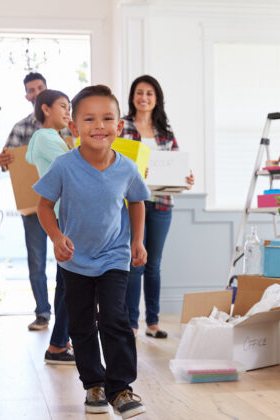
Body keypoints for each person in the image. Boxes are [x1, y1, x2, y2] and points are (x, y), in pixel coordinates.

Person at [34, 85, 149, 419]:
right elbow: (44, 206)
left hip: (114, 256)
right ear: (74, 127)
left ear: (119, 126)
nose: (99, 125)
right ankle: (93, 384)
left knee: (115, 319)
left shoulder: (127, 167)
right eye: (89, 119)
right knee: (82, 325)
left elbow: (137, 201)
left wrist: (137, 241)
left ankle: (121, 388)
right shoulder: (63, 166)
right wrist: (56, 237)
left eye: (107, 118)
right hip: (75, 260)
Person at [121, 75, 195, 339]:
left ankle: (153, 322)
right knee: (134, 262)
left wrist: (186, 178)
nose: (144, 98)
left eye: (149, 94)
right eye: (139, 93)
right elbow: (115, 159)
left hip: (163, 203)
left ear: (156, 99)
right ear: (132, 97)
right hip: (133, 203)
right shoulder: (123, 126)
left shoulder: (165, 131)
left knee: (153, 264)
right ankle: (131, 323)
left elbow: (177, 165)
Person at [0, 72, 56, 331]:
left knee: (71, 259)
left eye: (39, 88)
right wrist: (4, 161)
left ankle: (71, 314)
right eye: (31, 90)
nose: (35, 93)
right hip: (32, 205)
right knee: (36, 260)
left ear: (46, 90)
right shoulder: (20, 128)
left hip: (63, 205)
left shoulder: (64, 124)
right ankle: (43, 312)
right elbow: (9, 163)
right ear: (26, 96)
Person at [25, 89, 73, 364]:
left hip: (61, 213)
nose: (68, 112)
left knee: (66, 282)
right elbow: (73, 164)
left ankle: (60, 342)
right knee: (68, 284)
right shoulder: (45, 137)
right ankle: (57, 346)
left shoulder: (50, 138)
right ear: (46, 109)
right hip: (63, 214)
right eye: (63, 107)